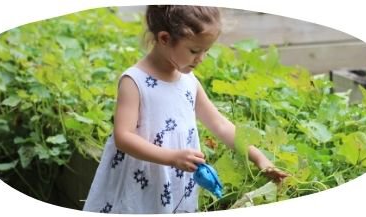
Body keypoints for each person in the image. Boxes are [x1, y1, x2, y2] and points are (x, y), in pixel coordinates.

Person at [82, 5, 288, 214]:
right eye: (194, 50)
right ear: (164, 38)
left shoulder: (189, 82)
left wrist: (258, 158)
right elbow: (123, 137)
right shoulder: (134, 82)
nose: (201, 58)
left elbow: (220, 125)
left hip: (175, 181)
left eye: (206, 50)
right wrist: (171, 157)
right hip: (141, 180)